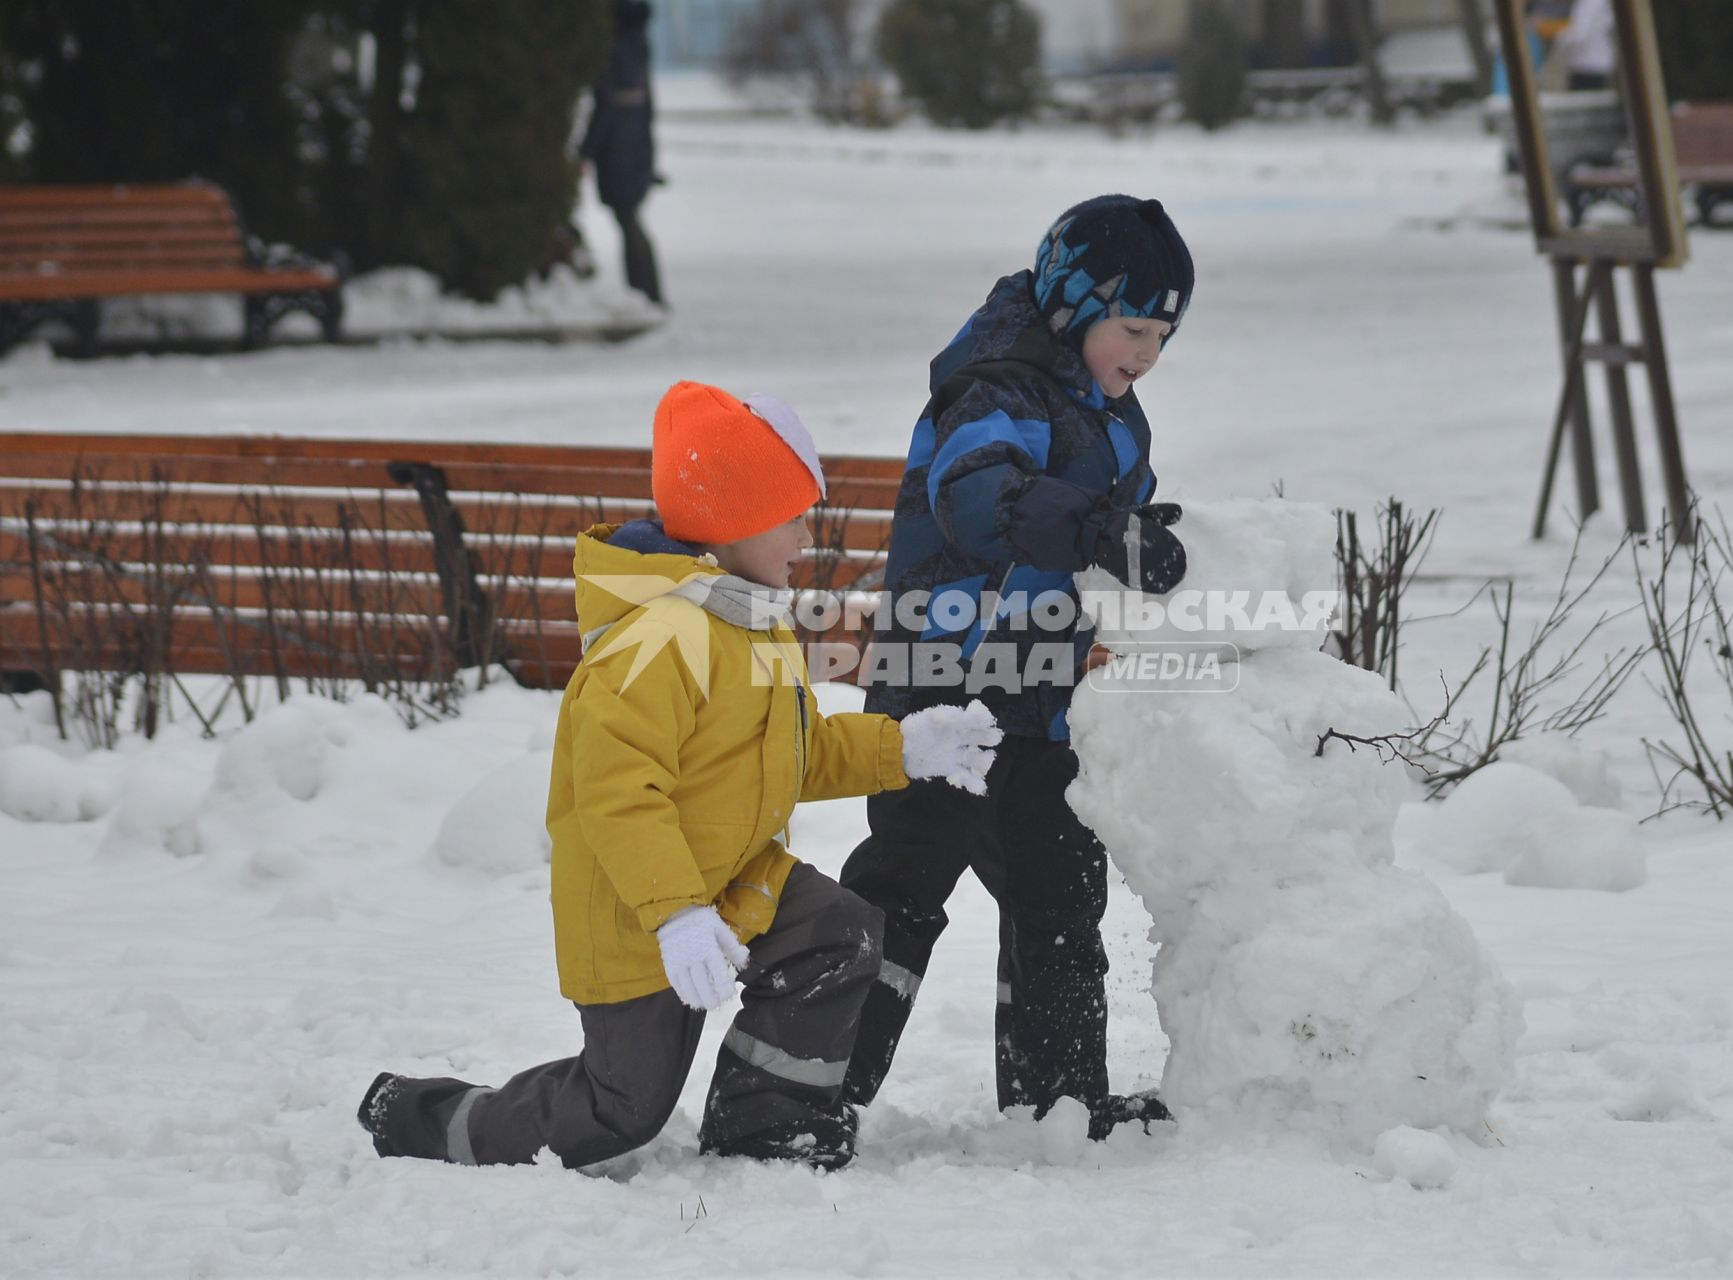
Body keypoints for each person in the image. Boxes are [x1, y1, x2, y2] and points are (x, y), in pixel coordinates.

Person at [357, 381, 1002, 1173]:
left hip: (732, 875)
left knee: (837, 930)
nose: (809, 535)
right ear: (734, 520)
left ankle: (764, 1124)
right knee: (618, 1110)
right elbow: (618, 797)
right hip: (637, 908)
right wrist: (675, 917)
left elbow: (787, 754)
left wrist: (903, 748)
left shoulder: (747, 621)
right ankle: (424, 1118)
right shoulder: (657, 642)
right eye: (793, 516)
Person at [839, 194, 1195, 1140]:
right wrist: (1092, 526)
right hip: (944, 690)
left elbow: (1101, 541)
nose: (1149, 351)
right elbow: (976, 495)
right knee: (902, 891)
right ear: (1075, 306)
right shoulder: (993, 390)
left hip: (1041, 697)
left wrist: (1137, 553)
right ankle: (799, 1090)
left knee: (1061, 895)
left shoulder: (1118, 420)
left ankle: (1060, 1101)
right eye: (1133, 326)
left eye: (1165, 333)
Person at [580, 0, 664, 304]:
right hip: (635, 146)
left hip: (619, 149)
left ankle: (644, 292)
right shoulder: (638, 45)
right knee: (631, 221)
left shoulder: (616, 49)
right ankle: (645, 291)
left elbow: (607, 106)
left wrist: (585, 151)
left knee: (628, 221)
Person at [1560, 0, 1616, 92]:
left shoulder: (1589, 2)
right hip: (1602, 64)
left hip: (1586, 66)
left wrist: (1559, 39)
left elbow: (1578, 34)